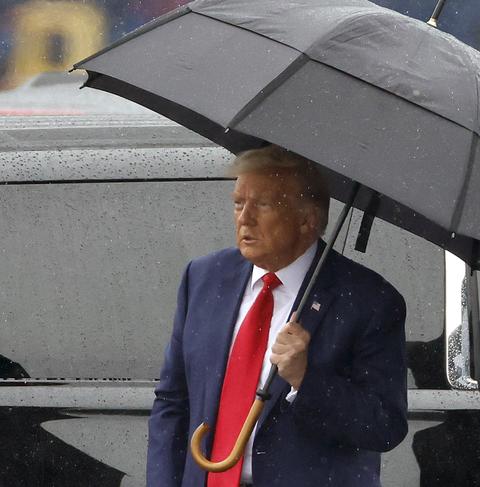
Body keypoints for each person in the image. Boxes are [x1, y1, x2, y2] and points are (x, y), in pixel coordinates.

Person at [147, 144, 408, 487]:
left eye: (263, 204)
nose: (244, 218)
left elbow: (384, 426)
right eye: (239, 203)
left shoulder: (369, 300)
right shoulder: (204, 278)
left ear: (307, 219)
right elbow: (172, 400)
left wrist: (306, 380)